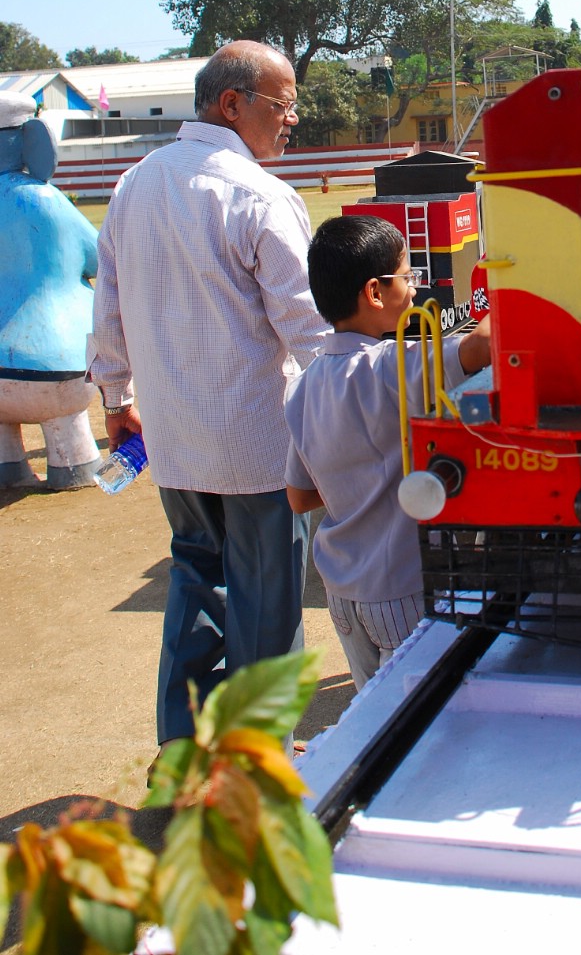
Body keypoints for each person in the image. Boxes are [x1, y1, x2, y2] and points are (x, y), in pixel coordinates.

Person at [89, 41, 330, 745]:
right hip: (258, 446)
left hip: (174, 439)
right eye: (283, 106)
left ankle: (181, 747)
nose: (291, 120)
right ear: (234, 104)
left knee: (196, 581)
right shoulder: (259, 194)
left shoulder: (134, 183)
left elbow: (109, 307)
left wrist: (114, 398)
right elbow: (309, 329)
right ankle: (258, 761)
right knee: (265, 601)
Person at [284, 215, 491, 689]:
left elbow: (299, 497)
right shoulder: (394, 366)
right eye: (407, 278)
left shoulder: (302, 385)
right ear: (375, 293)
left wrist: (358, 477)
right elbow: (484, 344)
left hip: (343, 591)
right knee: (420, 719)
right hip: (402, 584)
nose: (415, 291)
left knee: (370, 717)